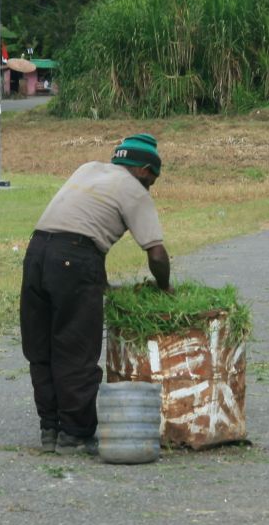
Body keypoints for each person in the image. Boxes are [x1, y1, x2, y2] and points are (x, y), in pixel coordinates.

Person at [21, 133, 171, 454]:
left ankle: (51, 429)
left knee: (42, 347)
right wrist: (165, 288)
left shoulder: (88, 168)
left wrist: (99, 284)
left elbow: (75, 229)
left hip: (36, 253)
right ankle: (74, 435)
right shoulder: (134, 190)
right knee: (75, 349)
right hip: (72, 259)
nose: (150, 188)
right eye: (152, 181)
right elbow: (156, 254)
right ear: (145, 169)